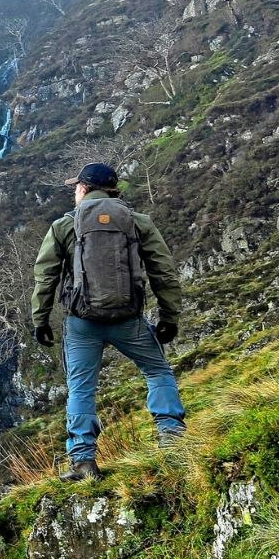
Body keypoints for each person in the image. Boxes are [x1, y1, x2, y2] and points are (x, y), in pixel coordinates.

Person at [30, 163, 186, 482]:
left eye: (76, 187)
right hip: (128, 318)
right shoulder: (136, 222)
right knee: (157, 370)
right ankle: (172, 437)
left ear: (84, 189)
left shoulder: (65, 225)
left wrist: (40, 319)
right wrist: (170, 316)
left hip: (82, 321)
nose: (75, 191)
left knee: (81, 388)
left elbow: (45, 276)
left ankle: (84, 462)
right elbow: (164, 271)